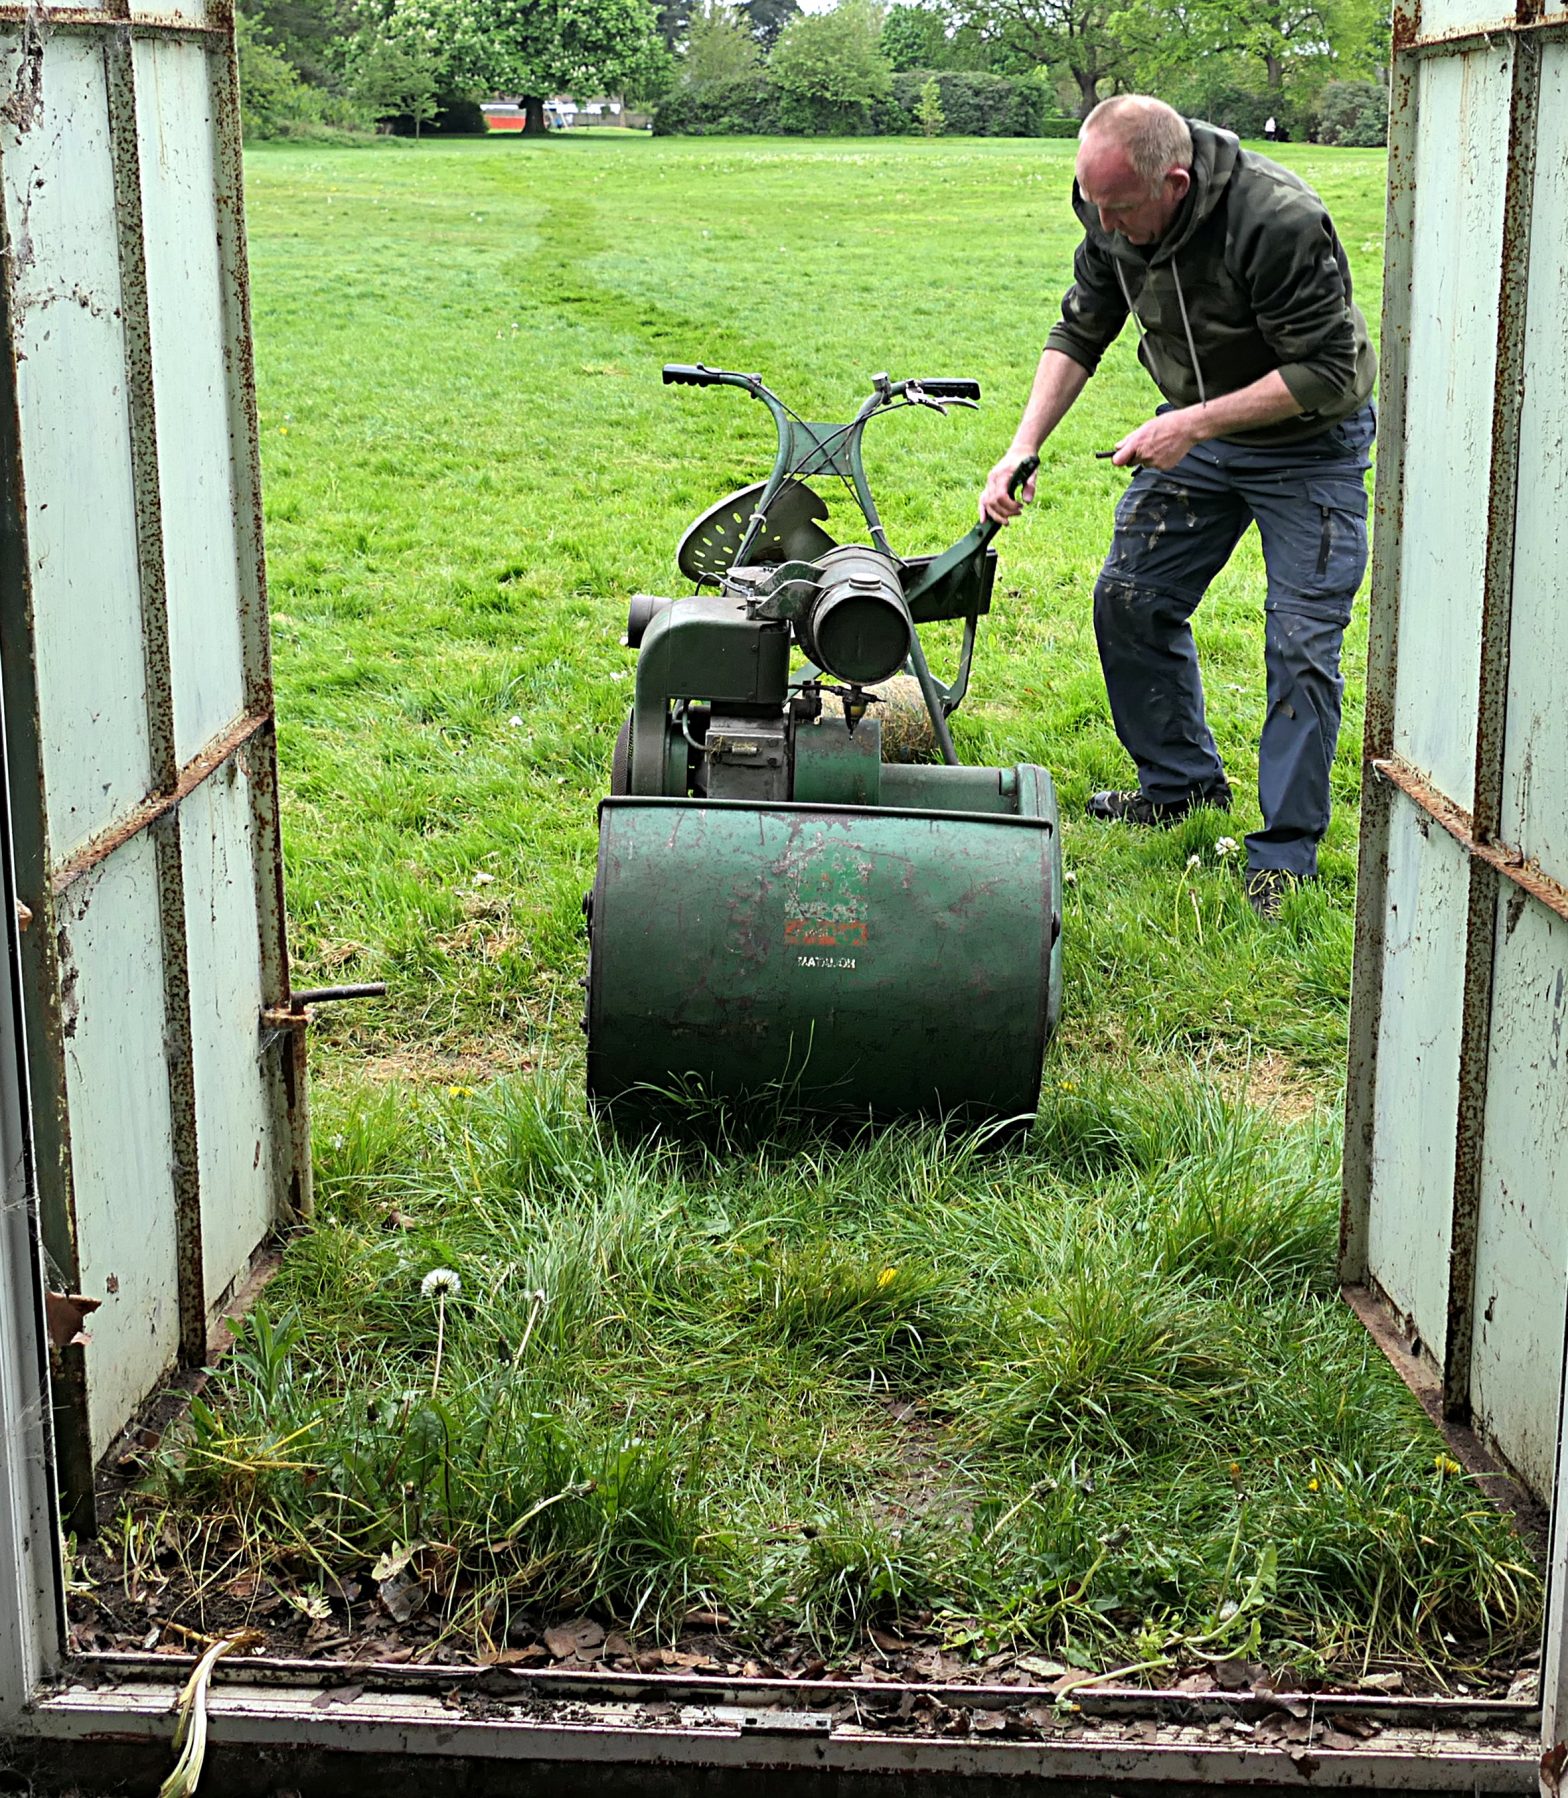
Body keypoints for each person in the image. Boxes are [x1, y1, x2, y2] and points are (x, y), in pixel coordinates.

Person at [980, 95, 1376, 918]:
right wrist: (1022, 445)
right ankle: (1180, 788)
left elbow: (1331, 373)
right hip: (1198, 432)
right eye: (1095, 205)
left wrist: (1190, 424)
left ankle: (1285, 859)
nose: (1106, 225)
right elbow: (1082, 327)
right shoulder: (1108, 208)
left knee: (1301, 644)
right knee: (1131, 598)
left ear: (1176, 182)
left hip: (1310, 442)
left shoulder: (1277, 221)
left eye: (1121, 208)